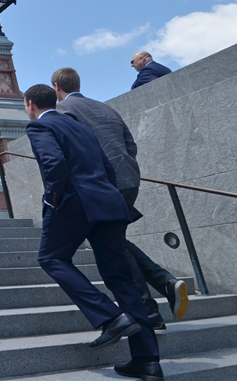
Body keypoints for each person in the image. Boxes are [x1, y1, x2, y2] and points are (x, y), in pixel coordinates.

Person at [24, 84, 162, 381]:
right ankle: (148, 360)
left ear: (30, 104)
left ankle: (110, 317)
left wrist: (52, 200)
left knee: (51, 258)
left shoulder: (39, 127)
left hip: (76, 203)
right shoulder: (79, 126)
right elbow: (106, 166)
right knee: (121, 279)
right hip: (108, 202)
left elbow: (54, 164)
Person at [53, 67, 189, 329]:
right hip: (129, 178)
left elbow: (70, 150)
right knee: (113, 240)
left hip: (101, 184)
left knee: (112, 246)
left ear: (56, 87)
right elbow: (130, 145)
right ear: (77, 83)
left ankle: (151, 312)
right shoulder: (106, 108)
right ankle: (164, 284)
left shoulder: (63, 110)